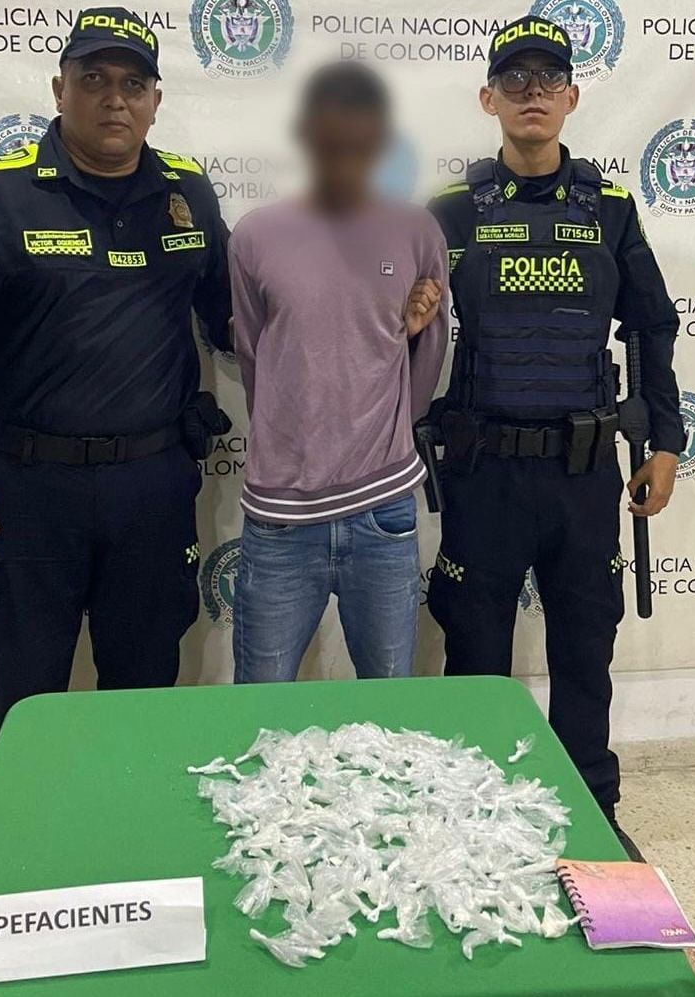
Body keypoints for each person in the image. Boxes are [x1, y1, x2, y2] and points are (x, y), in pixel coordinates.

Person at [0, 7, 232, 753]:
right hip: (26, 492)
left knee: (145, 687)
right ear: (59, 89)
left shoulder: (187, 193)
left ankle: (135, 824)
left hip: (151, 486)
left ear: (155, 100)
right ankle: (17, 829)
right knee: (26, 691)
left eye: (133, 84)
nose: (115, 99)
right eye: (94, 79)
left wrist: (370, 316)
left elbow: (240, 320)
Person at [426, 15, 686, 859]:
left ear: (571, 97)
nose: (531, 94)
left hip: (582, 475)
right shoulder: (451, 212)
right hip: (484, 473)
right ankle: (467, 819)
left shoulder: (610, 209)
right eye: (515, 80)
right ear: (489, 98)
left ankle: (591, 814)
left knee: (583, 649)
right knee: (474, 652)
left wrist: (665, 442)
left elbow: (650, 326)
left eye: (547, 80)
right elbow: (400, 332)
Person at [229, 62, 448, 684]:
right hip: (279, 516)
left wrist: (385, 430)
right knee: (258, 706)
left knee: (389, 706)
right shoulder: (255, 236)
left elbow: (428, 349)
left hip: (383, 508)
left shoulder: (416, 230)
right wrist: (293, 433)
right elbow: (254, 355)